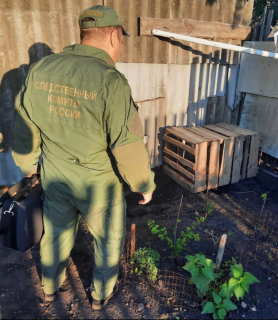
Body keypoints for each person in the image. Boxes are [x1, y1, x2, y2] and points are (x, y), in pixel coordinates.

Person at [12, 5, 156, 310]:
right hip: (98, 188)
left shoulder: (40, 71)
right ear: (115, 36)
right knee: (107, 241)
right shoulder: (111, 81)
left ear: (83, 35)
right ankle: (99, 296)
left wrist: (26, 165)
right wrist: (144, 183)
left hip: (57, 180)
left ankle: (50, 288)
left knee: (55, 236)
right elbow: (126, 144)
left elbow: (25, 125)